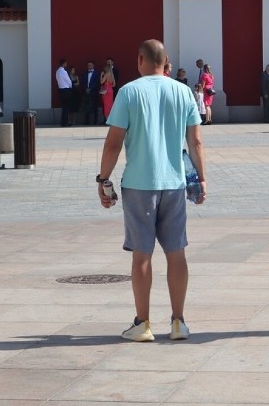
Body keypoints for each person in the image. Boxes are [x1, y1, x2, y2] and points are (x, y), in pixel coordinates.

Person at [98, 39, 206, 342]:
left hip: (138, 184)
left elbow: (113, 143)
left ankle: (143, 323)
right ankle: (178, 322)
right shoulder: (183, 91)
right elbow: (195, 142)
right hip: (174, 182)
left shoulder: (129, 92)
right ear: (167, 60)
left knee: (141, 255)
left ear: (140, 60)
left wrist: (102, 179)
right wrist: (202, 178)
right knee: (176, 252)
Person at [55, 59, 72, 127]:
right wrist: (70, 86)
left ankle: (63, 121)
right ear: (64, 63)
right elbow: (68, 81)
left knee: (64, 106)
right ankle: (65, 122)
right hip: (66, 90)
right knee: (66, 107)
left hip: (60, 89)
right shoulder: (63, 72)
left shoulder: (57, 71)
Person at [84, 61, 101, 125]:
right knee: (86, 107)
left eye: (90, 65)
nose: (89, 66)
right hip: (86, 92)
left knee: (95, 106)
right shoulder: (85, 73)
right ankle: (87, 121)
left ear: (93, 66)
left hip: (94, 92)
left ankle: (95, 121)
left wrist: (91, 89)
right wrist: (86, 88)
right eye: (88, 65)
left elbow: (97, 83)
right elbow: (83, 82)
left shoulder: (96, 73)